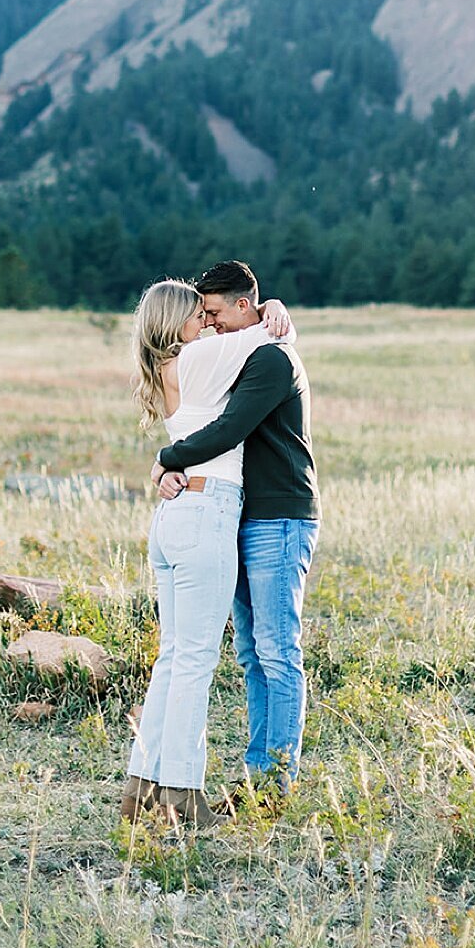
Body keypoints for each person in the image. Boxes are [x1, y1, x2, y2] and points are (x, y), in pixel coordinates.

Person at [122, 278, 296, 830]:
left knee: (173, 659)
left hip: (174, 518)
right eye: (201, 314)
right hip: (208, 510)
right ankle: (182, 796)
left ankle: (142, 788)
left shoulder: (167, 370)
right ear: (180, 324)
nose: (210, 321)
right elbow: (268, 335)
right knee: (196, 661)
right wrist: (272, 305)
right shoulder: (199, 358)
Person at [152, 259, 321, 802]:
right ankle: (256, 774)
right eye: (203, 314)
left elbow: (230, 429)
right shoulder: (245, 350)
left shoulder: (271, 358)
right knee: (251, 652)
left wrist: (167, 458)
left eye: (217, 312)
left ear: (245, 306)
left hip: (280, 516)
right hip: (245, 516)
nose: (211, 322)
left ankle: (275, 784)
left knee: (277, 650)